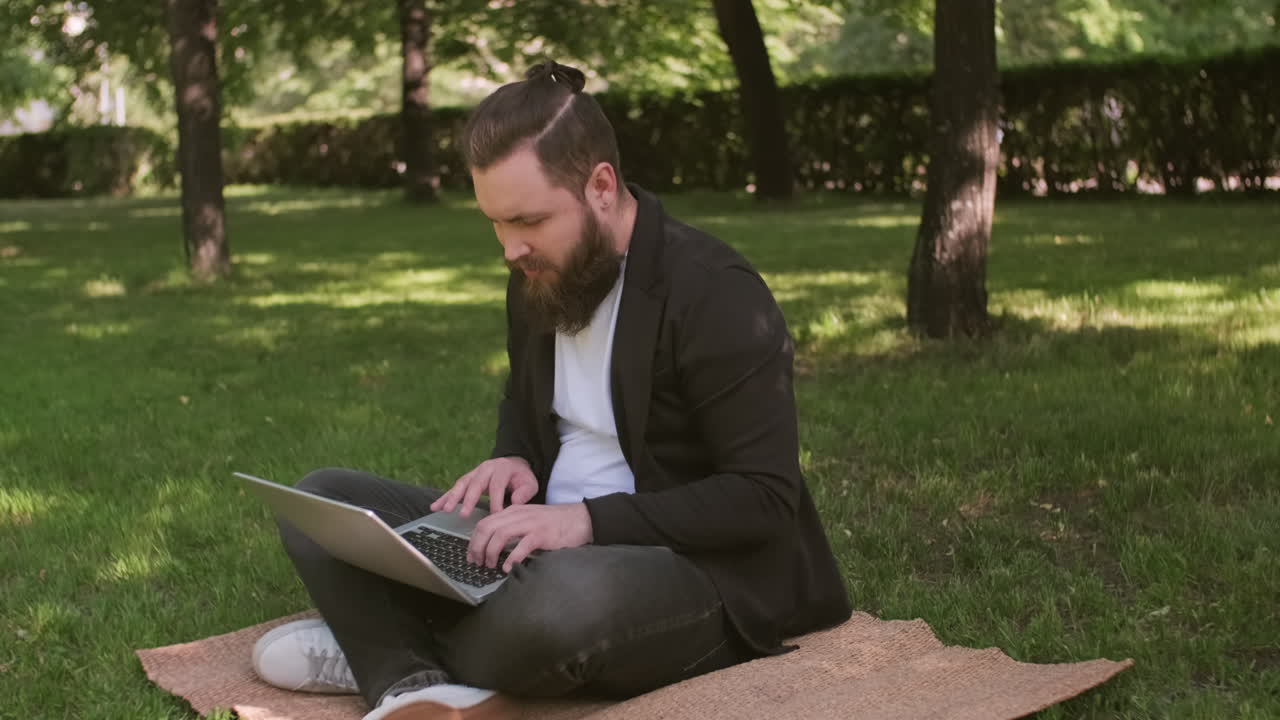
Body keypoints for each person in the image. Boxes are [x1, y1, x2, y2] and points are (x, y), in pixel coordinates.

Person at [251, 60, 851, 720]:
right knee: (323, 500)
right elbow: (526, 394)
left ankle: (382, 647)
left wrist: (584, 521)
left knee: (558, 611)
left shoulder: (717, 292)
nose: (510, 248)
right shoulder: (539, 272)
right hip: (538, 539)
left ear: (600, 186)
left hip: (685, 566)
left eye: (527, 221)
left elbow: (763, 498)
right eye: (495, 224)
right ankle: (409, 681)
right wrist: (514, 455)